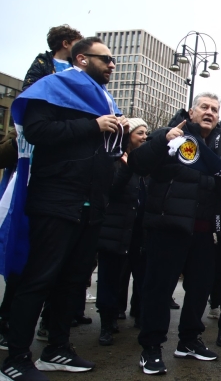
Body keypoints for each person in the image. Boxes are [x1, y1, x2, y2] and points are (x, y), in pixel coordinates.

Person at [1, 36, 126, 379]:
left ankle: (57, 348)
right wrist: (93, 125)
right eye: (106, 59)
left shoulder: (103, 97)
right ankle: (16, 358)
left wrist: (117, 131)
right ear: (83, 59)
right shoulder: (53, 87)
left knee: (72, 283)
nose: (112, 65)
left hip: (91, 205)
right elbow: (38, 131)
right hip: (56, 200)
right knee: (38, 280)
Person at [129, 92, 221, 375]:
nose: (210, 112)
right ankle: (151, 348)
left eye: (215, 108)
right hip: (169, 227)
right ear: (191, 111)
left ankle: (188, 340)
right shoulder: (172, 135)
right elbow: (138, 164)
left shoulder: (220, 147)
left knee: (199, 288)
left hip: (203, 232)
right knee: (159, 290)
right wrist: (162, 139)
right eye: (204, 107)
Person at [96, 118, 149, 346]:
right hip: (114, 231)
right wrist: (128, 168)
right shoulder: (114, 160)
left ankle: (140, 316)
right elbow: (112, 190)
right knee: (110, 278)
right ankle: (107, 323)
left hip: (138, 231)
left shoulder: (146, 164)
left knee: (143, 276)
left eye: (147, 133)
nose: (144, 137)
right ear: (128, 136)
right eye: (140, 133)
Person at [22, 25, 83, 90]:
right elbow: (29, 87)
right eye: (77, 44)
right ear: (65, 44)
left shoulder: (78, 66)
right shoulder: (42, 62)